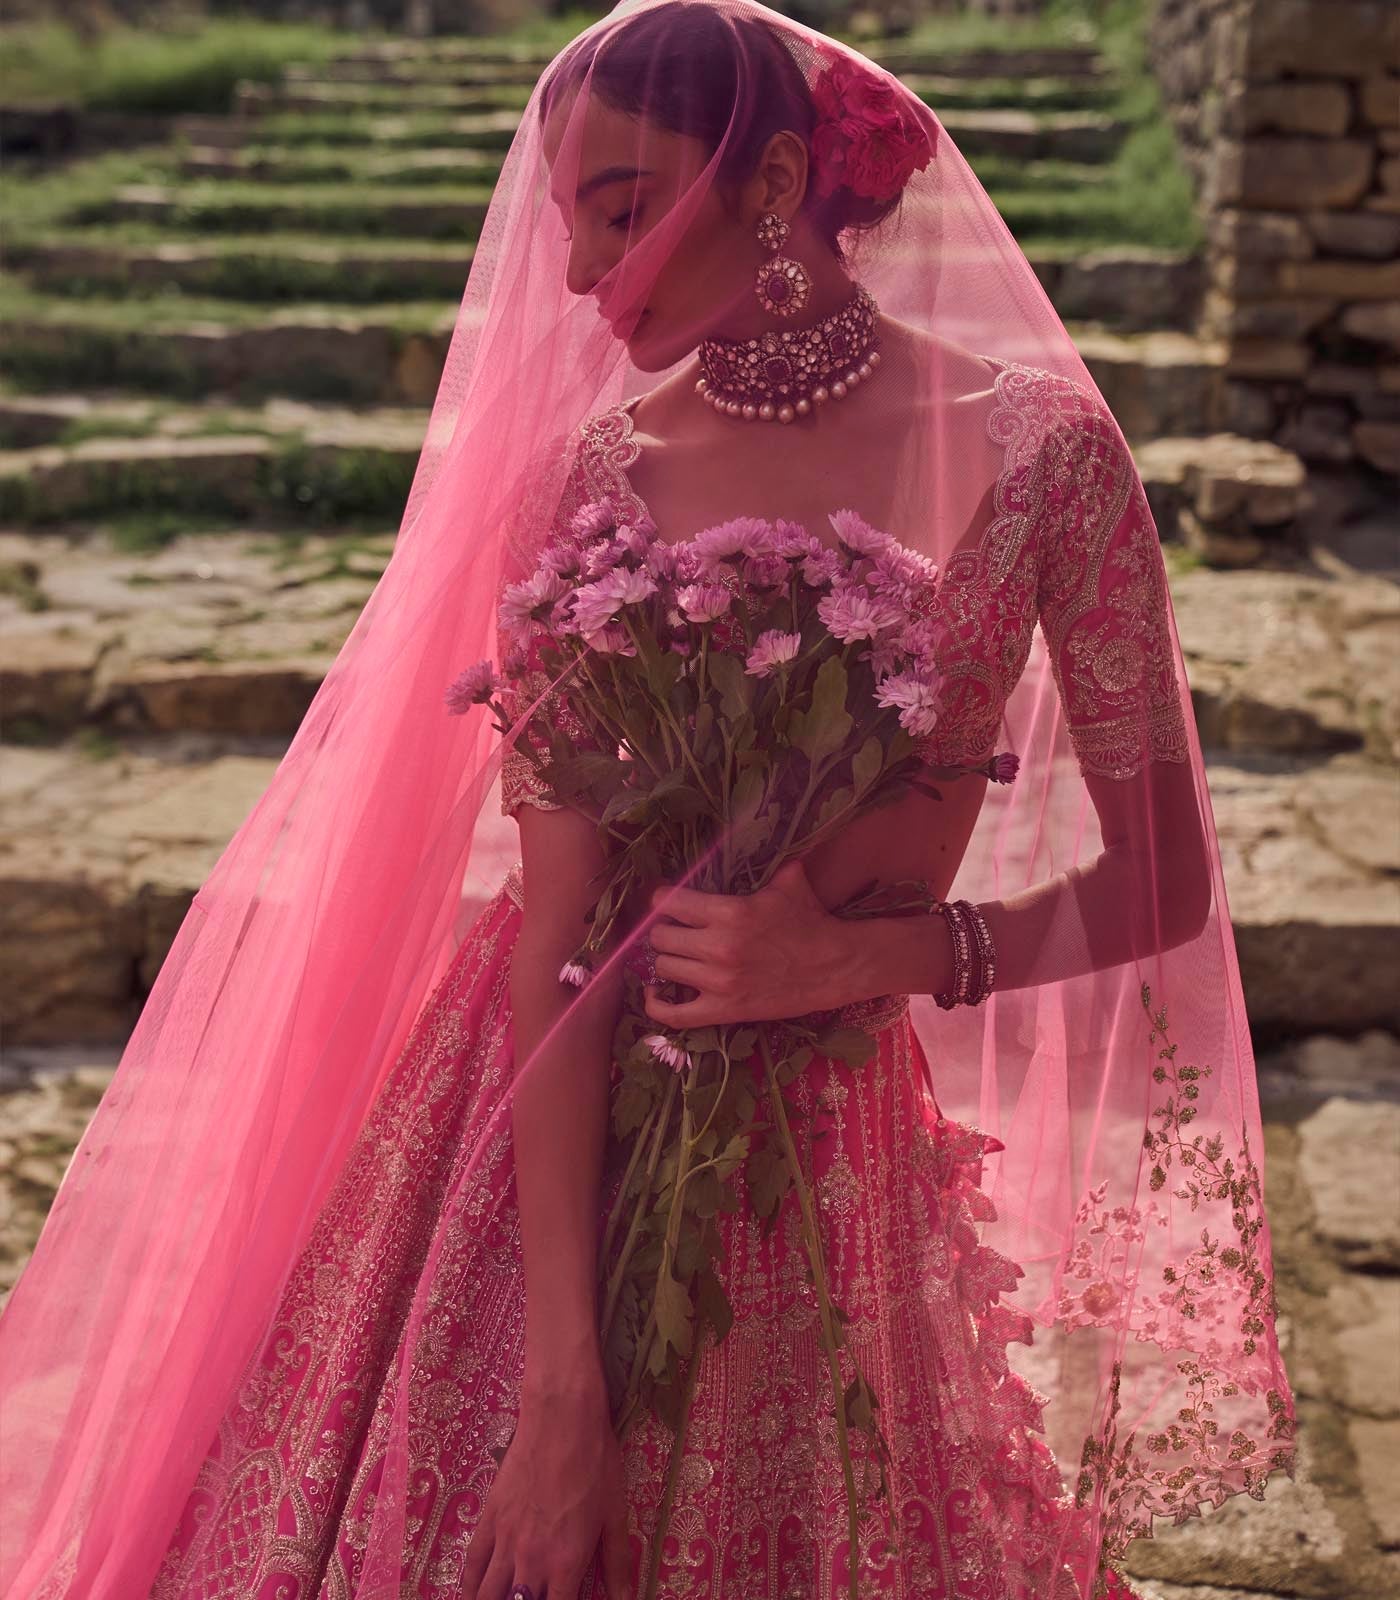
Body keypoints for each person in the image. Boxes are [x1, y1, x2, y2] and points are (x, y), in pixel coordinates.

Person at [0, 4, 1295, 1598]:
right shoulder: (581, 486)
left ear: (772, 182)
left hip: (823, 1150)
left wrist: (873, 960)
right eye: (568, 220)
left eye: (623, 207)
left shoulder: (1041, 462)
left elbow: (1165, 883)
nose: (577, 276)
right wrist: (561, 1392)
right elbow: (555, 938)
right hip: (532, 1155)